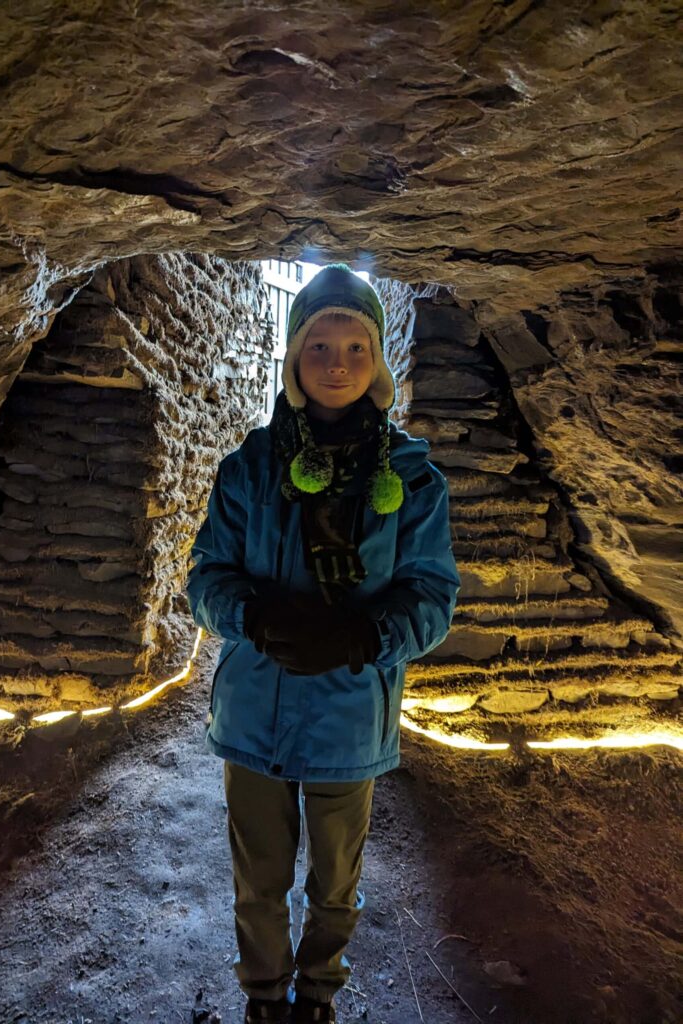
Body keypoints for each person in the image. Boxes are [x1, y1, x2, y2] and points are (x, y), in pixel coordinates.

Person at [186, 263, 461, 1024]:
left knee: (335, 878)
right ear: (293, 358)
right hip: (252, 714)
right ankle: (265, 998)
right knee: (259, 876)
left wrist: (360, 636)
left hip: (348, 713)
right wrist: (255, 619)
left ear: (376, 363)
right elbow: (206, 576)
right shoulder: (248, 470)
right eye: (318, 346)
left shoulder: (413, 480)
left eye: (354, 348)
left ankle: (316, 995)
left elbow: (432, 599)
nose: (336, 364)